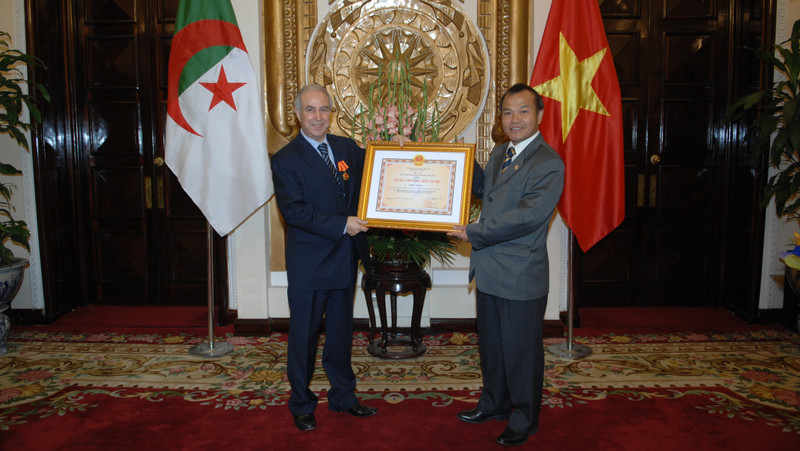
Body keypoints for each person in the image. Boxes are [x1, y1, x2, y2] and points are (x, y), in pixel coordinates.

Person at [448, 83, 564, 447]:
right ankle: (494, 403)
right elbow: (482, 186)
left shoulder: (548, 163)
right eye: (508, 112)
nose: (515, 119)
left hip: (520, 275)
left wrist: (474, 231)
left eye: (523, 111)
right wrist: (443, 158)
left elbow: (527, 218)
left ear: (539, 115)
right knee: (493, 347)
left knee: (521, 351)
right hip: (489, 271)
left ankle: (524, 417)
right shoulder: (501, 152)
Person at [270, 83, 377, 432]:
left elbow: (376, 166)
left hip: (344, 259)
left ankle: (343, 396)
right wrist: (342, 224)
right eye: (311, 110)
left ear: (332, 114)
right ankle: (301, 402)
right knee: (303, 337)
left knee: (342, 334)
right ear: (298, 115)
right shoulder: (285, 159)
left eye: (324, 109)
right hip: (309, 263)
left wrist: (397, 151)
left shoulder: (346, 147)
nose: (318, 117)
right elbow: (294, 211)